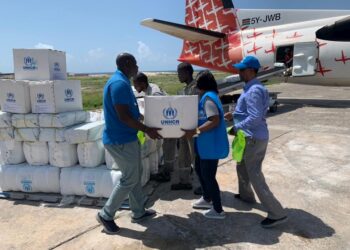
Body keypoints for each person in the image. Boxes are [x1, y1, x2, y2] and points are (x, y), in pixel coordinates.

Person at [96, 53, 161, 234]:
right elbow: (123, 117)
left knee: (135, 174)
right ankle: (106, 214)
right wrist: (147, 129)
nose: (137, 66)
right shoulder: (119, 84)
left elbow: (131, 113)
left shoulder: (122, 82)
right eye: (134, 63)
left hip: (127, 139)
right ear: (126, 64)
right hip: (120, 140)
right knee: (130, 178)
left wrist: (147, 120)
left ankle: (138, 212)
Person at [225, 56, 288, 228]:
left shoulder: (254, 90)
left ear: (252, 70)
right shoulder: (252, 87)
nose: (239, 72)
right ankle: (246, 196)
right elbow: (250, 112)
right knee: (241, 166)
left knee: (255, 175)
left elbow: (255, 117)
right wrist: (234, 116)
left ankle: (277, 213)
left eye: (242, 69)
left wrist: (237, 127)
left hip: (253, 137)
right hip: (251, 136)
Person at [183, 70, 229, 219]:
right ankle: (207, 198)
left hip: (210, 145)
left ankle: (218, 209)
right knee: (199, 169)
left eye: (197, 82)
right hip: (204, 144)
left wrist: (195, 131)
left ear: (202, 84)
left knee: (209, 176)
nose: (196, 85)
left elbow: (214, 120)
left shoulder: (208, 98)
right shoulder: (208, 97)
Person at [133, 72, 175, 182]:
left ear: (142, 83)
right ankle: (167, 170)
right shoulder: (149, 89)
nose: (135, 87)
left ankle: (168, 173)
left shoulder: (154, 93)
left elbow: (161, 111)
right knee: (163, 148)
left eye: (136, 84)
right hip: (165, 122)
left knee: (168, 148)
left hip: (168, 122)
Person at [171, 62, 199, 191]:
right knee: (183, 155)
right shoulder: (186, 89)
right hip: (183, 127)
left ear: (187, 73)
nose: (178, 76)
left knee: (195, 156)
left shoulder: (196, 88)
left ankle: (201, 185)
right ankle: (185, 180)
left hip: (193, 128)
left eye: (179, 73)